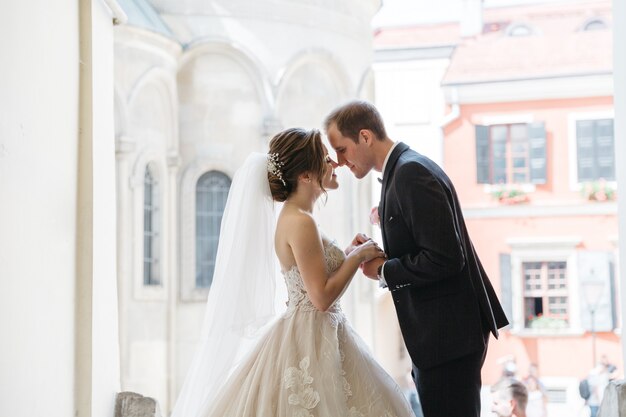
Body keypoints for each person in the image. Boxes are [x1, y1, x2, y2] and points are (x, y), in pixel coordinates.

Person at [170, 127, 415, 417]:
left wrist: (347, 254)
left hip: (314, 332)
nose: (334, 164)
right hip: (310, 341)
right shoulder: (300, 222)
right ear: (306, 176)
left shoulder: (299, 218)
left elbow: (313, 272)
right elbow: (321, 297)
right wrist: (359, 257)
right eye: (326, 159)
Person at [324, 100, 510, 417]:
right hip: (442, 337)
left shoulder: (410, 173)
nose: (339, 162)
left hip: (447, 339)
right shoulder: (405, 169)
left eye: (342, 149)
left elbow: (446, 258)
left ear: (365, 137)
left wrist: (384, 270)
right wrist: (388, 222)